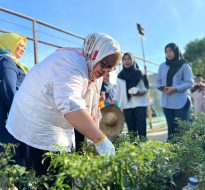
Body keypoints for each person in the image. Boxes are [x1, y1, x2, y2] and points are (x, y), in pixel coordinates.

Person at [6, 33, 121, 176]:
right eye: (105, 64)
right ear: (95, 53)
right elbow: (71, 105)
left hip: (52, 121)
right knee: (51, 175)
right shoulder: (70, 63)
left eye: (111, 68)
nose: (106, 71)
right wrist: (100, 140)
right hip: (35, 121)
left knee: (61, 170)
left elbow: (86, 105)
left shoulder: (89, 66)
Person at [0, 32, 28, 166]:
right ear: (9, 43)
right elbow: (9, 92)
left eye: (24, 47)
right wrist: (23, 116)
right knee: (17, 165)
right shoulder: (7, 61)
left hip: (12, 119)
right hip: (12, 122)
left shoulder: (9, 61)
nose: (22, 49)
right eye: (20, 45)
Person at [156, 43, 193, 139]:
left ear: (176, 51)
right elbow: (158, 82)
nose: (168, 53)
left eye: (171, 51)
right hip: (166, 102)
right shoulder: (162, 66)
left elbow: (189, 82)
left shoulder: (184, 65)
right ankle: (173, 151)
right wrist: (162, 88)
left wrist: (175, 88)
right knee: (171, 129)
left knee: (183, 129)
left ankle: (187, 151)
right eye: (166, 52)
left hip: (180, 102)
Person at [114, 52, 149, 140]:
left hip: (140, 104)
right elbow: (117, 93)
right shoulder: (120, 76)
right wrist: (116, 107)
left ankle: (144, 149)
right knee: (131, 131)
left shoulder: (140, 73)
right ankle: (134, 152)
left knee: (142, 129)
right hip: (127, 105)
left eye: (129, 59)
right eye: (124, 59)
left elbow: (146, 89)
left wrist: (138, 92)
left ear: (133, 60)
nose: (127, 61)